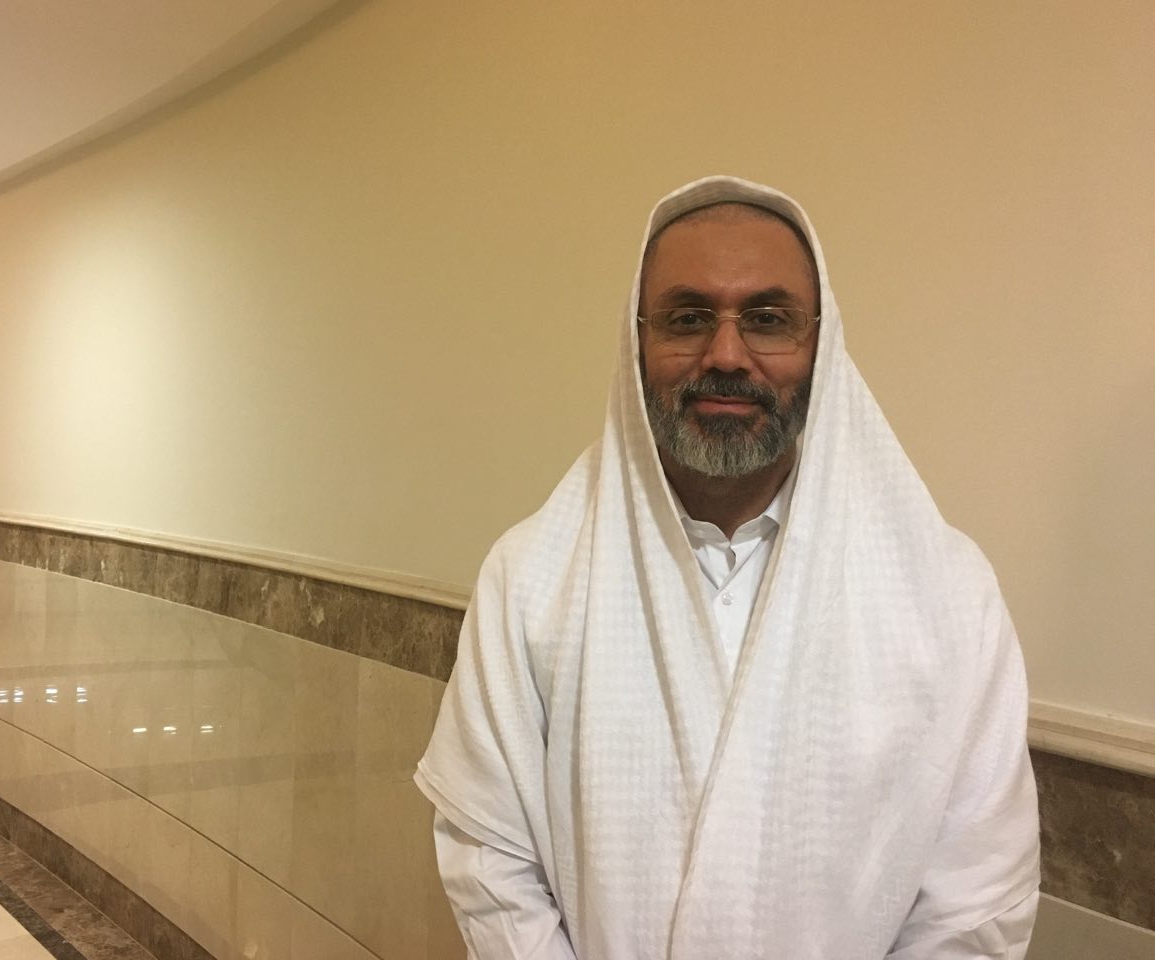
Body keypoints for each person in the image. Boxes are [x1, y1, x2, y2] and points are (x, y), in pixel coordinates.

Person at [415, 176, 1040, 959]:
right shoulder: (531, 578)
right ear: (636, 341)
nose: (726, 354)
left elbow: (978, 897)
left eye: (769, 319)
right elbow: (489, 854)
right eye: (687, 318)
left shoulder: (946, 592)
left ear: (822, 344)